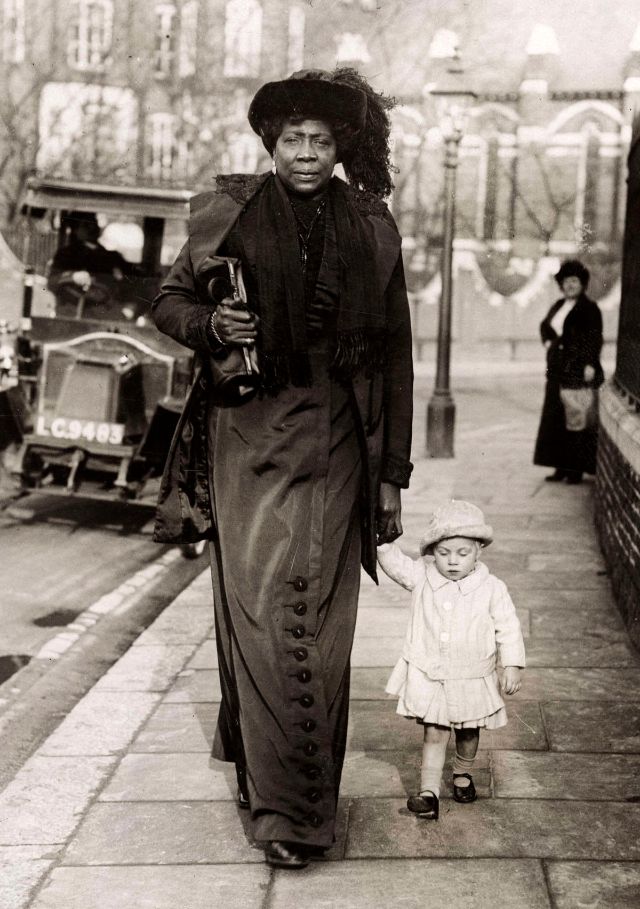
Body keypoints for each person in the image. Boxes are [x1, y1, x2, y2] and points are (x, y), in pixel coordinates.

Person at [151, 69, 414, 868]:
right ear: (270, 144)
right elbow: (166, 305)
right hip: (247, 434)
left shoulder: (372, 226)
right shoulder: (221, 212)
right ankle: (275, 795)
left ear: (341, 149)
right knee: (259, 613)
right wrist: (212, 322)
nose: (306, 154)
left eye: (322, 141)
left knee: (319, 623)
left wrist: (392, 472)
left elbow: (397, 353)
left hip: (338, 435)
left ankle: (296, 810)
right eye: (293, 139)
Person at [377, 500, 525, 821]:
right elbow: (396, 564)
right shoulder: (422, 576)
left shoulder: (491, 588)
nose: (453, 562)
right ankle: (428, 792)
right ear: (432, 552)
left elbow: (508, 625)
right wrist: (382, 541)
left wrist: (511, 663)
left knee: (469, 732)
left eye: (462, 553)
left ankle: (462, 774)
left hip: (472, 675)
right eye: (444, 554)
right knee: (434, 731)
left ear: (478, 552)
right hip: (434, 674)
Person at [533, 259, 604, 484]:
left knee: (576, 417)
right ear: (561, 284)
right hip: (555, 370)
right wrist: (549, 344)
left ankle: (575, 470)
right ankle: (559, 468)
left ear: (582, 284)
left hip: (577, 369)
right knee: (555, 418)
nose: (570, 285)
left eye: (574, 281)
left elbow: (595, 338)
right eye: (566, 281)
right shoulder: (558, 305)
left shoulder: (589, 308)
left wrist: (590, 364)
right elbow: (545, 326)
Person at [47, 211, 139, 318]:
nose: (92, 228)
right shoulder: (65, 254)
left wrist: (131, 307)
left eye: (94, 223)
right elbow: (52, 282)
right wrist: (72, 276)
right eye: (86, 225)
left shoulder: (111, 257)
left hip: (105, 313)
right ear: (76, 229)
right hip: (70, 312)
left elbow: (135, 281)